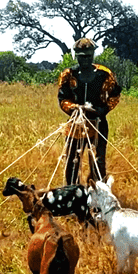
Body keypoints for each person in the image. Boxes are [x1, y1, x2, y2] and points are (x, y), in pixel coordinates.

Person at [58, 38, 121, 185]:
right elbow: (62, 99)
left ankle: (96, 194)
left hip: (98, 124)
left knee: (97, 162)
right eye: (81, 56)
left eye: (88, 56)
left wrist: (103, 109)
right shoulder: (68, 75)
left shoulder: (104, 74)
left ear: (93, 55)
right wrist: (75, 108)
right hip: (75, 124)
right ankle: (73, 193)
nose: (85, 60)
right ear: (76, 56)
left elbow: (115, 95)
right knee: (72, 161)